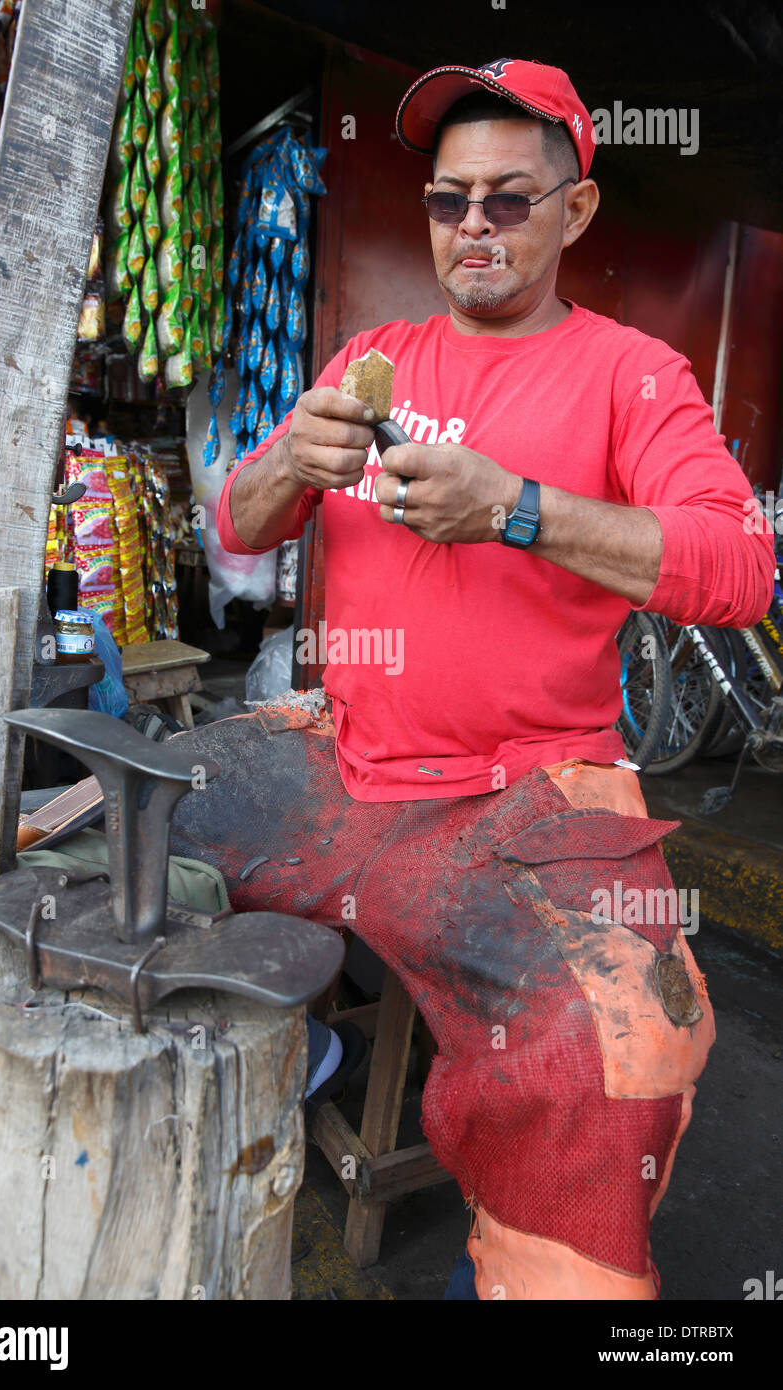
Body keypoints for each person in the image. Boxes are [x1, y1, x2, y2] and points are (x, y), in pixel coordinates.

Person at [204, 59, 775, 1299]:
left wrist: (517, 510)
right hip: (343, 747)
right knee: (131, 823)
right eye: (447, 197)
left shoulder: (631, 374)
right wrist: (291, 463)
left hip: (527, 791)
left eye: (508, 199)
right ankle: (279, 1059)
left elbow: (736, 568)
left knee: (619, 1057)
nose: (471, 225)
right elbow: (242, 524)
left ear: (573, 211)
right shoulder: (375, 354)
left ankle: (527, 1276)